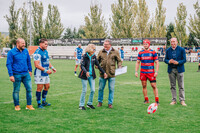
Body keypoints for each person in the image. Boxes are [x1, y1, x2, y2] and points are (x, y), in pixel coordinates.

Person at [6, 38, 35, 111]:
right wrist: (11, 75)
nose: (24, 45)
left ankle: (29, 105)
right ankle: (17, 105)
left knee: (29, 89)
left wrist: (30, 70)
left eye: (24, 43)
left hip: (26, 74)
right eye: (22, 43)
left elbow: (28, 61)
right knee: (16, 90)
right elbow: (8, 64)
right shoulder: (11, 52)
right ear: (17, 43)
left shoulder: (25, 51)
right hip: (16, 75)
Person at [78, 44, 107, 110]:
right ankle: (81, 105)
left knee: (93, 90)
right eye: (94, 49)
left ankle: (89, 103)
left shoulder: (94, 56)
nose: (95, 51)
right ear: (90, 49)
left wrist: (104, 72)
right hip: (84, 75)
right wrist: (86, 72)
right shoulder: (84, 56)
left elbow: (98, 65)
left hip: (91, 75)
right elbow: (82, 66)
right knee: (84, 90)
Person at [97, 39, 122, 108]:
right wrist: (96, 65)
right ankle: (100, 102)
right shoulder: (101, 51)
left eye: (106, 44)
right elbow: (97, 60)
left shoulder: (115, 52)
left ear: (110, 45)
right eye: (104, 44)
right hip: (102, 73)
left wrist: (119, 65)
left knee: (111, 89)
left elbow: (119, 60)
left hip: (112, 73)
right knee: (100, 88)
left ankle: (110, 103)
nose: (104, 46)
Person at [33, 38, 57, 109]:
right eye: (45, 44)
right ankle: (39, 104)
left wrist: (52, 67)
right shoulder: (37, 53)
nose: (47, 45)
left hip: (46, 73)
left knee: (47, 87)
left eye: (47, 44)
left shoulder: (46, 51)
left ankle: (44, 101)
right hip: (39, 73)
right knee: (39, 88)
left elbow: (47, 61)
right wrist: (46, 70)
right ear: (41, 44)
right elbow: (36, 65)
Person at [135, 39, 159, 104]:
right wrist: (136, 71)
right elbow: (137, 62)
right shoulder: (140, 53)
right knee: (144, 85)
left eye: (146, 44)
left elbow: (157, 62)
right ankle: (146, 100)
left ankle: (157, 100)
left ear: (149, 45)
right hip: (143, 72)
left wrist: (156, 71)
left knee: (153, 85)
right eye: (144, 44)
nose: (145, 45)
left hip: (151, 72)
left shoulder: (153, 52)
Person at [164, 38, 187, 106]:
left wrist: (178, 62)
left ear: (177, 42)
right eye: (171, 42)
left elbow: (184, 59)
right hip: (171, 70)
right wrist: (169, 61)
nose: (173, 43)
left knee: (181, 86)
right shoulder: (168, 50)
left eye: (174, 41)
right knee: (172, 86)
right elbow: (165, 60)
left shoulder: (182, 49)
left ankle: (182, 100)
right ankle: (174, 100)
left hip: (179, 69)